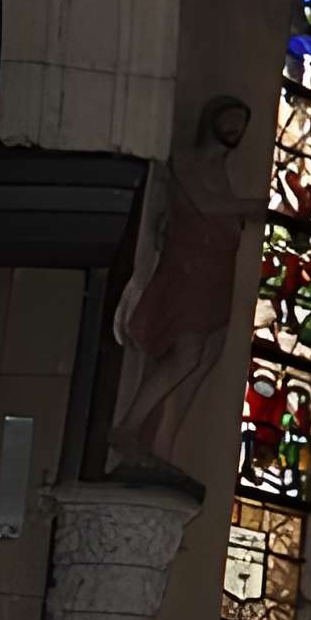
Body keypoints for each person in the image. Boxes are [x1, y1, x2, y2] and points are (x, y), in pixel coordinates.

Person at [109, 98, 265, 479]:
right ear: (212, 121)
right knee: (187, 353)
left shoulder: (222, 173)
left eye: (241, 125)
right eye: (230, 120)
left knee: (201, 363)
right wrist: (254, 205)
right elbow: (206, 204)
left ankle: (162, 448)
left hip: (216, 280)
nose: (235, 130)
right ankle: (127, 427)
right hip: (188, 275)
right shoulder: (187, 160)